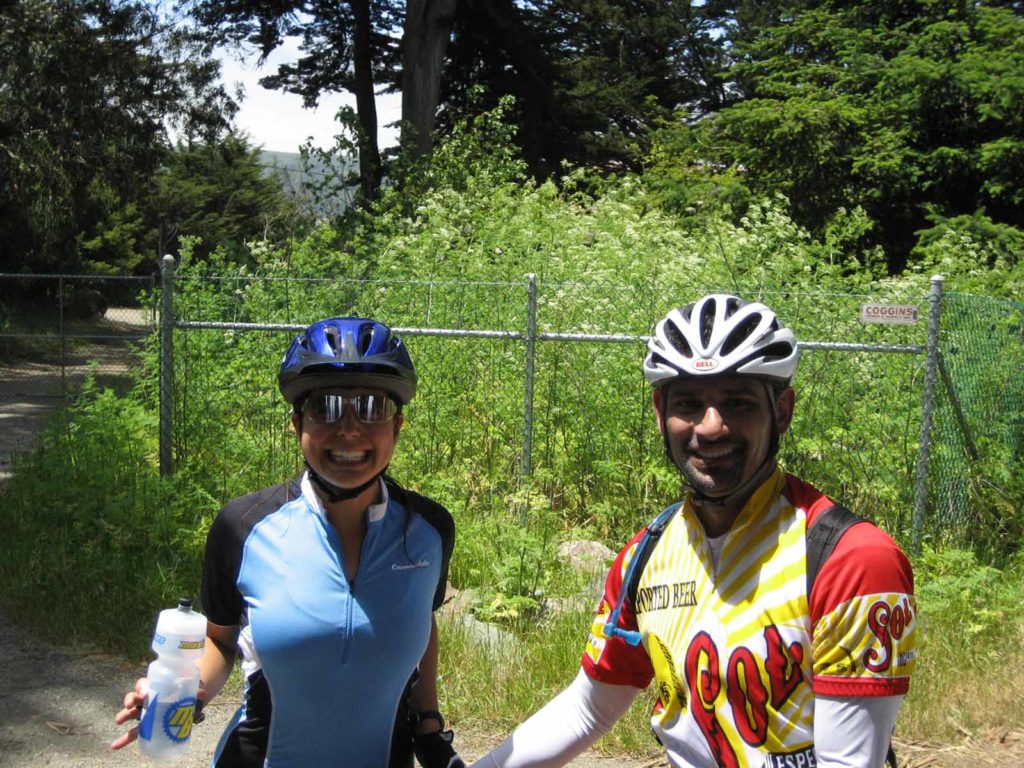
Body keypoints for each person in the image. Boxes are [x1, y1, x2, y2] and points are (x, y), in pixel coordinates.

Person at [471, 294, 917, 768]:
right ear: (661, 413)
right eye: (689, 403)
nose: (710, 427)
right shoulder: (646, 556)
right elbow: (586, 710)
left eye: (738, 402)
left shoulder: (852, 560)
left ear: (782, 411)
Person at [113, 316, 465, 768]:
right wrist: (182, 692)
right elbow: (221, 642)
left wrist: (429, 726)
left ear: (397, 426)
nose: (351, 429)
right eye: (327, 407)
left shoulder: (429, 530)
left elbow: (422, 621)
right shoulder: (244, 527)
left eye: (372, 408)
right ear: (297, 423)